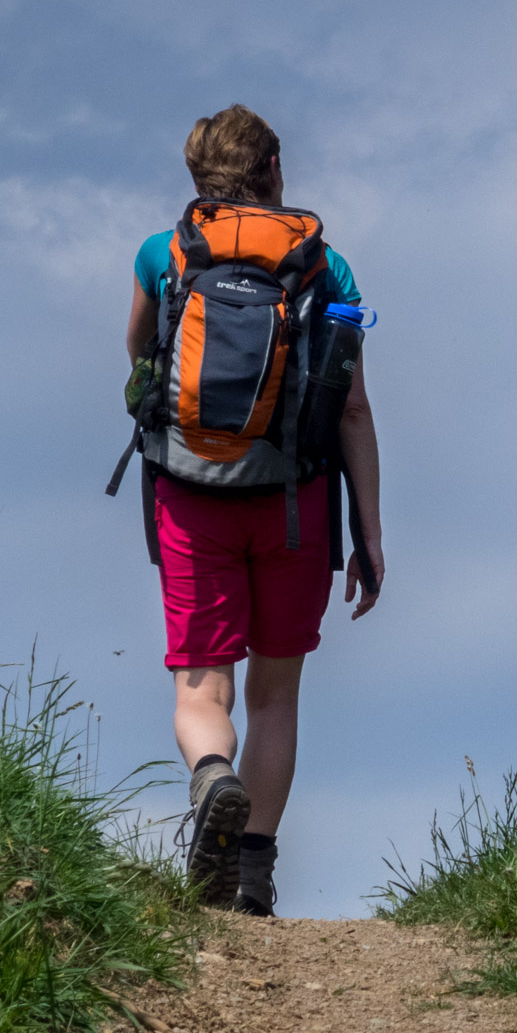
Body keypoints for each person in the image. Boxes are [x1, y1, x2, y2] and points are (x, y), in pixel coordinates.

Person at [124, 104, 383, 915]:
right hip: (297, 504)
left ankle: (212, 781)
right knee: (276, 693)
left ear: (197, 174)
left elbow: (139, 353)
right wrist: (368, 534)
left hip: (191, 496)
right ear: (274, 167)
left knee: (204, 689)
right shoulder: (326, 268)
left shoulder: (161, 256)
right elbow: (350, 410)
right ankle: (253, 873)